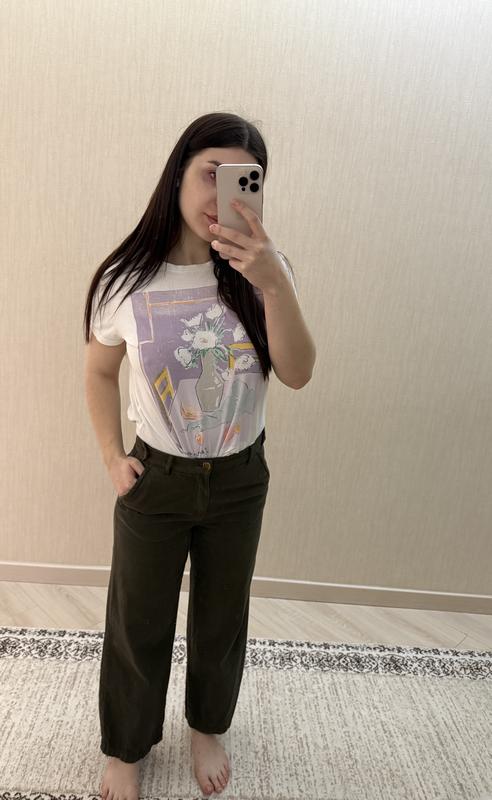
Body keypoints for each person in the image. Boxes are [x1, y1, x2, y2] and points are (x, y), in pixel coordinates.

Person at [83, 111, 313, 800]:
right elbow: (98, 371)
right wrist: (112, 457)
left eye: (243, 178)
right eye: (210, 173)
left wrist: (274, 282)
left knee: (222, 617)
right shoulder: (125, 279)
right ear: (178, 174)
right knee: (138, 620)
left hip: (240, 478)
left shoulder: (265, 273)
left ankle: (207, 726)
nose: (221, 193)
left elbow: (298, 372)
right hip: (156, 478)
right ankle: (126, 746)